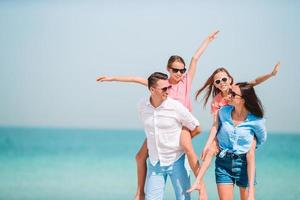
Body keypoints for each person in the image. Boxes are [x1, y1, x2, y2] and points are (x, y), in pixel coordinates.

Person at [97, 30, 219, 200]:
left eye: (182, 70)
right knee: (140, 156)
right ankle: (140, 192)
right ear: (168, 69)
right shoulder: (162, 84)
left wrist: (207, 40)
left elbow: (195, 58)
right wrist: (112, 78)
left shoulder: (186, 81)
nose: (180, 73)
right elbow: (135, 79)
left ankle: (202, 189)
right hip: (162, 127)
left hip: (182, 125)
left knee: (189, 151)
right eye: (176, 70)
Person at [187, 62, 280, 198]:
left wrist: (271, 74)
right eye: (218, 81)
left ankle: (249, 191)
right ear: (215, 85)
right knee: (210, 150)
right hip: (224, 134)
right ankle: (198, 183)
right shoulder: (218, 102)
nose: (222, 83)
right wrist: (209, 143)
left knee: (250, 152)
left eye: (224, 79)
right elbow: (215, 125)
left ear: (230, 79)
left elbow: (254, 82)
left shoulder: (238, 89)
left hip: (242, 138)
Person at [138, 72, 201, 200]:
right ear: (152, 89)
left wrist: (183, 142)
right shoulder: (142, 106)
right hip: (155, 162)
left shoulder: (175, 107)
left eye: (169, 87)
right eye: (164, 88)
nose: (168, 91)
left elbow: (196, 127)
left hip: (176, 160)